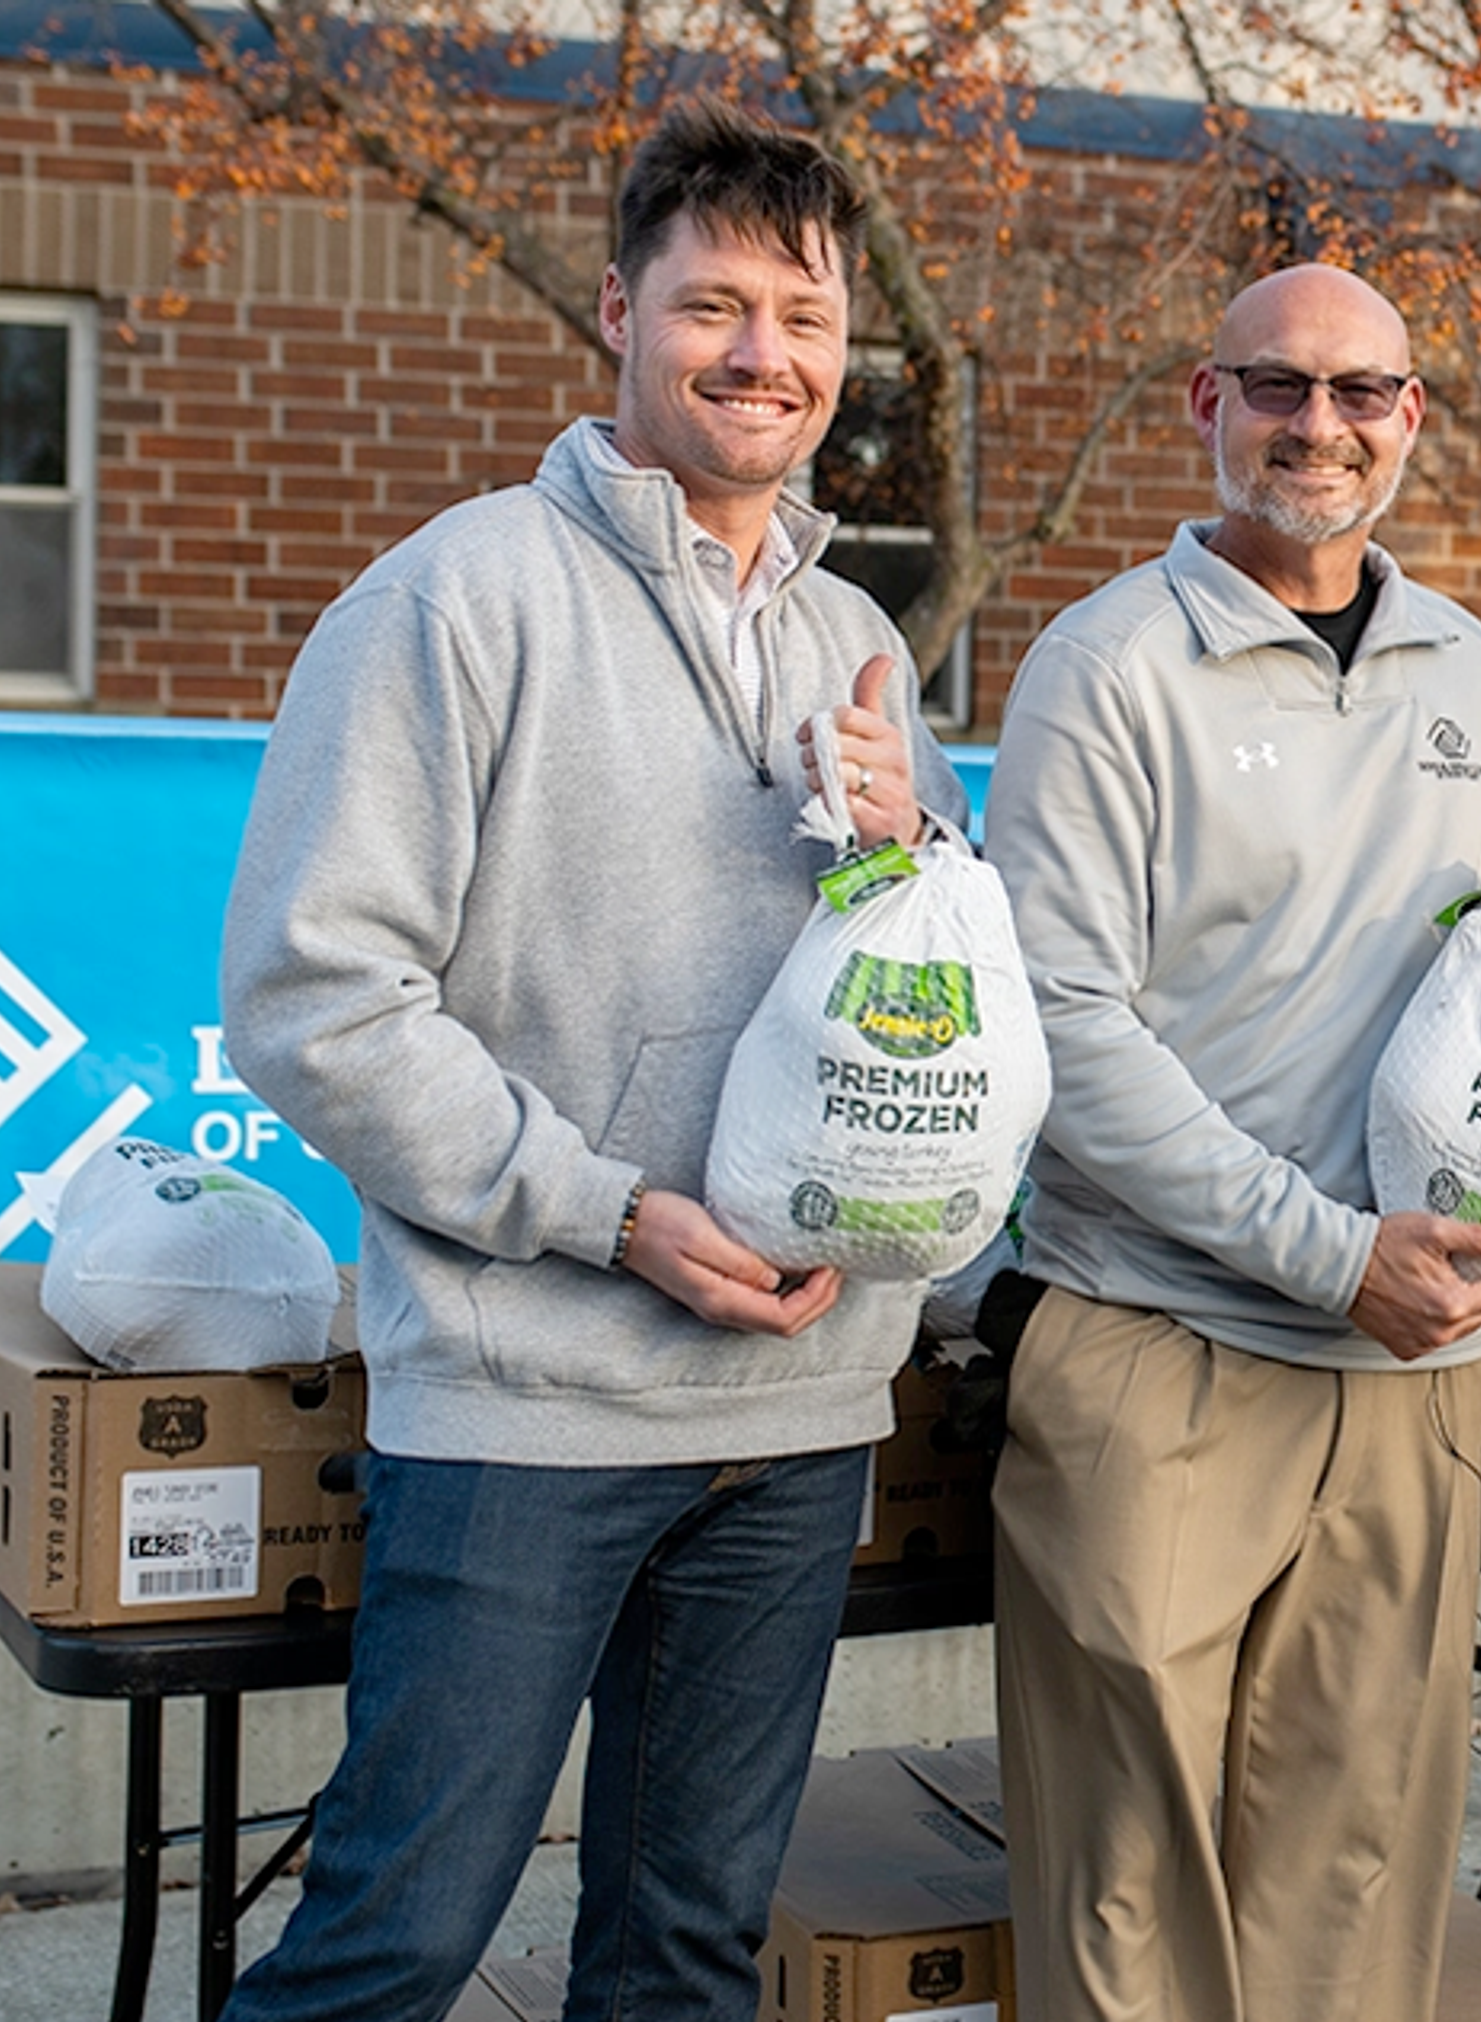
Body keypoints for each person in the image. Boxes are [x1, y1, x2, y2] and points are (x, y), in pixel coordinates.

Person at [214, 102, 965, 2022]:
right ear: (617, 312)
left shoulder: (860, 636)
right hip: (527, 1411)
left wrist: (920, 851)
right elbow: (320, 998)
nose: (762, 355)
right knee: (394, 1943)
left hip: (796, 1412)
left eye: (803, 317)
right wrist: (606, 1210)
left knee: (687, 1958)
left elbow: (939, 1004)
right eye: (714, 305)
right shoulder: (457, 599)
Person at [979, 262, 1481, 2022]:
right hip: (1162, 1344)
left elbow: (1431, 963)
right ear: (1207, 403)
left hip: (1408, 1369)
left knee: (1355, 1868)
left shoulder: (1458, 661)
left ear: (1411, 417)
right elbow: (1065, 1029)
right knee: (1127, 1883)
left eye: (1359, 393)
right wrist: (1335, 1251)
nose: (1316, 427)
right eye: (1277, 387)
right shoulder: (1105, 668)